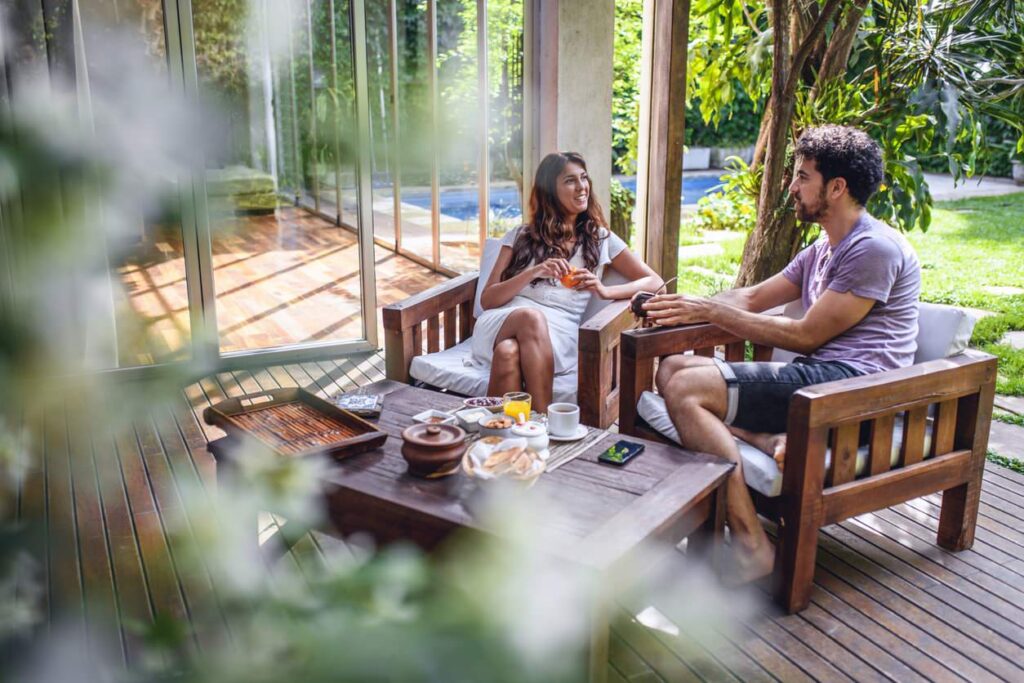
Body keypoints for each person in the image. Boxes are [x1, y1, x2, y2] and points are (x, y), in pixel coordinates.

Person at [642, 125, 921, 583]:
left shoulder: (874, 248)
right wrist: (683, 307)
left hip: (854, 392)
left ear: (836, 188)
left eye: (802, 176)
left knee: (688, 388)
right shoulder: (822, 250)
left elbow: (808, 335)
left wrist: (707, 310)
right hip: (818, 382)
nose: (791, 187)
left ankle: (752, 543)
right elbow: (751, 299)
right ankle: (766, 441)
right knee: (671, 367)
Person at [473, 151, 662, 413]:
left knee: (508, 352)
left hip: (559, 335)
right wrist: (533, 272)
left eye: (583, 178)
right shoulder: (520, 235)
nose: (582, 186)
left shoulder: (600, 238)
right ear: (550, 190)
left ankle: (498, 434)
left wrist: (605, 291)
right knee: (529, 318)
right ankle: (544, 422)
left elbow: (655, 281)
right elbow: (488, 299)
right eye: (570, 181)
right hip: (502, 321)